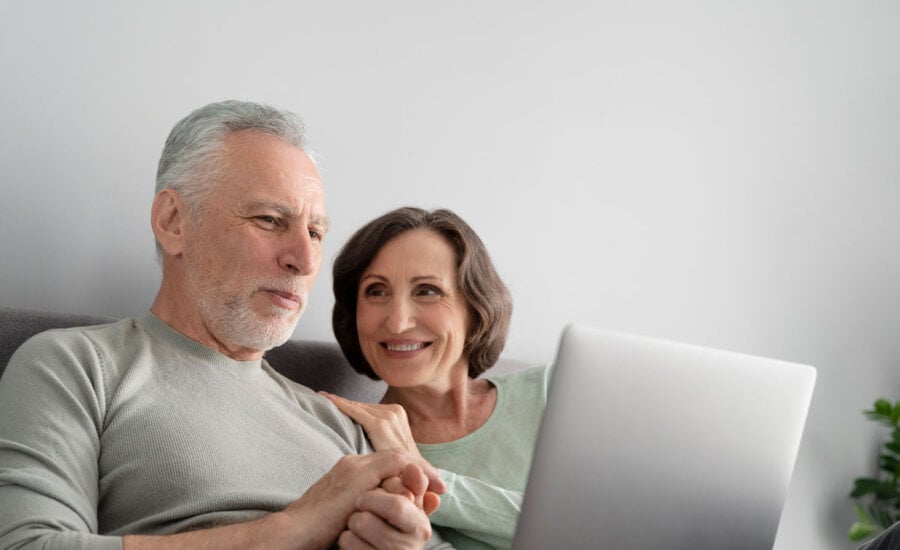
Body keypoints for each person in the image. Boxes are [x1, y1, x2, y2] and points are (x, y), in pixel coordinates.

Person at [0, 101, 451, 549]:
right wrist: (289, 530)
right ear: (173, 221)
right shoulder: (77, 365)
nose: (305, 260)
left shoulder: (341, 421)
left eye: (315, 233)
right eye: (270, 220)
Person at [325, 207, 551, 550]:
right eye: (375, 291)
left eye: (427, 291)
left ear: (476, 309)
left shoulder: (555, 395)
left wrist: (428, 476)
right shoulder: (351, 451)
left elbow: (605, 529)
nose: (397, 322)